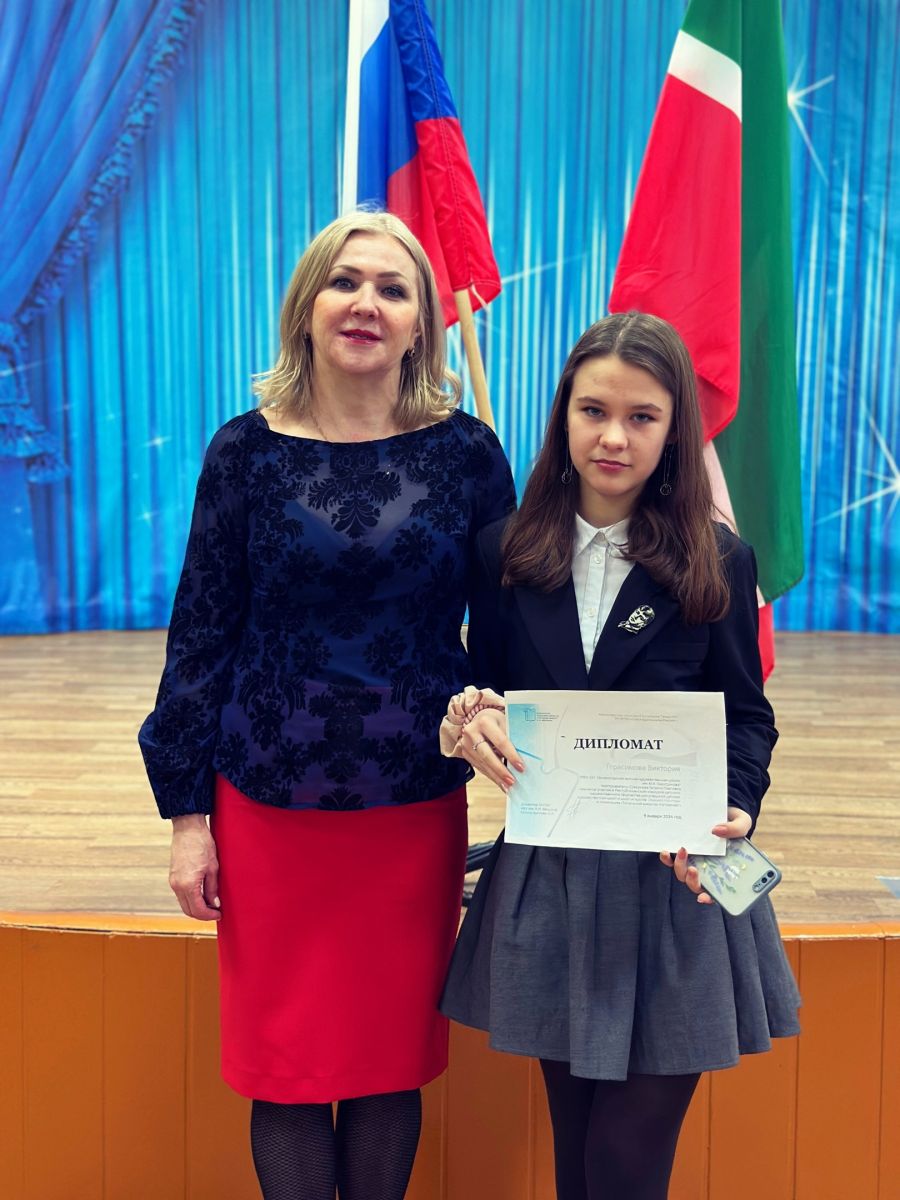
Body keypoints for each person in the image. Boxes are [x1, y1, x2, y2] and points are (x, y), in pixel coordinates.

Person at [138, 210, 515, 1200]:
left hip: (411, 805)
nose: (366, 303)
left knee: (389, 1064)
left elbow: (508, 631)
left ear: (422, 322)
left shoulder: (470, 455)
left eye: (393, 288)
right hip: (268, 805)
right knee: (288, 1068)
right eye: (345, 282)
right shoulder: (243, 453)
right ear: (306, 307)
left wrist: (508, 720)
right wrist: (188, 821)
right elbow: (200, 637)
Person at [438, 312, 800, 1200]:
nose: (613, 437)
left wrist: (739, 802)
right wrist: (470, 716)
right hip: (554, 879)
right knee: (578, 1155)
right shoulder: (504, 552)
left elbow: (747, 718)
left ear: (675, 430)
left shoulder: (719, 558)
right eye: (594, 410)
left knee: (625, 1164)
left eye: (642, 417)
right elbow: (486, 686)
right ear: (563, 414)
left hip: (678, 887)